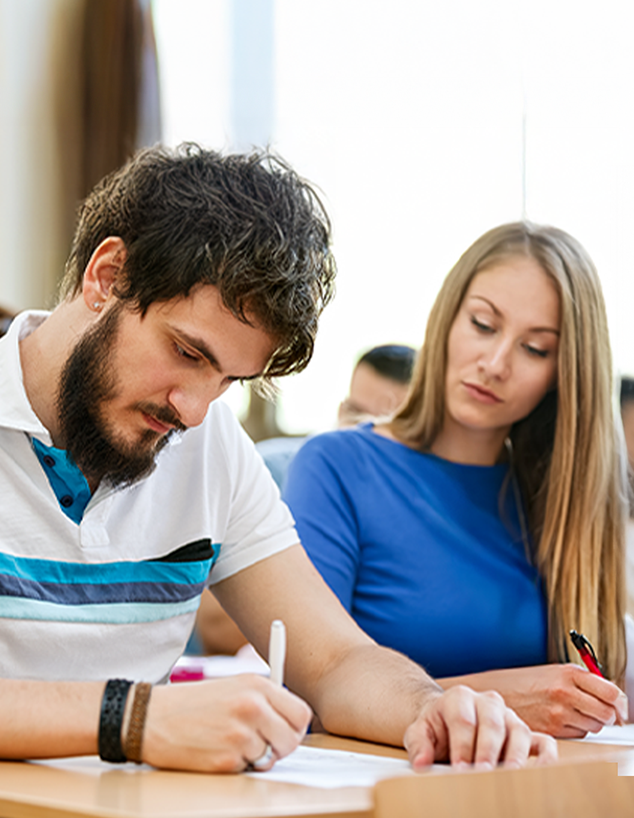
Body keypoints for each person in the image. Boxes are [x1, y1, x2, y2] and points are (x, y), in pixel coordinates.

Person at [0, 146, 555, 773]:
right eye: (187, 352)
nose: (194, 411)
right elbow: (136, 720)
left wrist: (431, 708)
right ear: (107, 277)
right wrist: (135, 718)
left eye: (229, 379)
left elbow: (335, 661)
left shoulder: (208, 446)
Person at [284, 221, 630, 739]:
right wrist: (501, 700)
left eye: (535, 349)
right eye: (483, 325)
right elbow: (305, 699)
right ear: (447, 317)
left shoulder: (559, 500)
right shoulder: (335, 467)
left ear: (565, 374)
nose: (493, 364)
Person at [190, 342, 417, 656]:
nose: (359, 432)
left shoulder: (409, 515)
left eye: (381, 423)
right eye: (353, 413)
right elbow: (214, 626)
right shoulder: (270, 472)